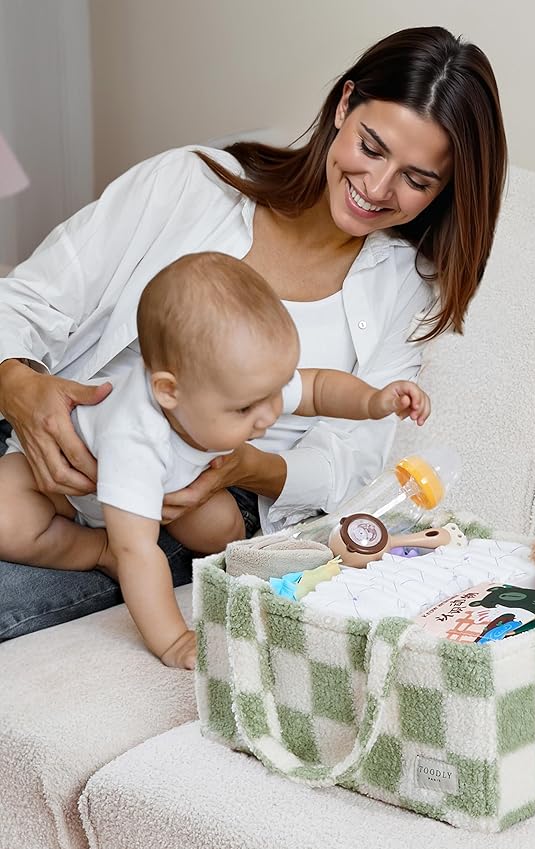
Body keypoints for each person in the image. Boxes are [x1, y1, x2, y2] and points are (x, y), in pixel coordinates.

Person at [0, 25, 507, 639]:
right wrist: (20, 389)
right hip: (53, 427)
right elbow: (25, 301)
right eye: (371, 148)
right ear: (344, 105)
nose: (377, 188)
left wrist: (243, 464)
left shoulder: (405, 288)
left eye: (417, 180)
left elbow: (347, 461)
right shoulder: (193, 182)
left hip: (184, 496)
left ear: (444, 190)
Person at [0, 251, 431, 667]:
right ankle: (97, 551)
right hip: (69, 486)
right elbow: (140, 553)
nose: (266, 418)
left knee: (220, 529)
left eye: (273, 395)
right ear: (169, 391)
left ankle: (132, 532)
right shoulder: (135, 439)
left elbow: (317, 388)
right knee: (9, 519)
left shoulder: (238, 383)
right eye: (245, 411)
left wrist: (374, 401)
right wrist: (173, 641)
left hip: (169, 484)